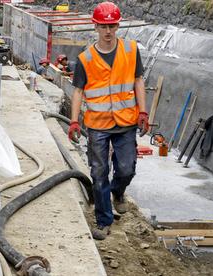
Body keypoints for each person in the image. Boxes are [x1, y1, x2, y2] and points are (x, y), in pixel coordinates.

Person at [68, 1, 149, 240]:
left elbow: (138, 81)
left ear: (118, 25)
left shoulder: (131, 50)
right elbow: (78, 92)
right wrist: (74, 121)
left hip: (125, 122)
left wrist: (143, 112)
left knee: (125, 169)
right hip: (98, 124)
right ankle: (104, 221)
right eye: (103, 26)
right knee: (99, 171)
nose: (108, 31)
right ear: (95, 26)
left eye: (112, 25)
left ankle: (118, 191)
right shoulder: (86, 58)